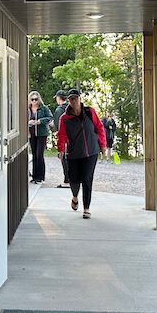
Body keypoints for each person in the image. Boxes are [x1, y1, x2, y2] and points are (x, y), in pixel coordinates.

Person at [56, 89, 106, 219]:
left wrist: (103, 145)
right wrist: (61, 149)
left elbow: (99, 128)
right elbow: (61, 135)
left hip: (91, 151)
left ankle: (87, 208)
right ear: (68, 101)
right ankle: (74, 196)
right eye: (71, 99)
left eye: (76, 98)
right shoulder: (65, 118)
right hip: (74, 153)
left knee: (87, 178)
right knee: (74, 179)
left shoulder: (90, 112)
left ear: (80, 99)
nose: (74, 101)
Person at [27, 91, 52, 184]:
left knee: (39, 154)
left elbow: (49, 117)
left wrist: (39, 121)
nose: (34, 101)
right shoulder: (28, 109)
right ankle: (34, 176)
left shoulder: (44, 108)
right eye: (32, 99)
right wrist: (29, 122)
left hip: (41, 134)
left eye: (36, 99)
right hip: (31, 134)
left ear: (39, 99)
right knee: (34, 154)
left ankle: (40, 176)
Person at [50, 89, 71, 188]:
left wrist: (51, 125)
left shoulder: (59, 110)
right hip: (74, 138)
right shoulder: (71, 107)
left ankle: (67, 180)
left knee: (64, 158)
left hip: (64, 138)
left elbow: (58, 127)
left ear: (59, 98)